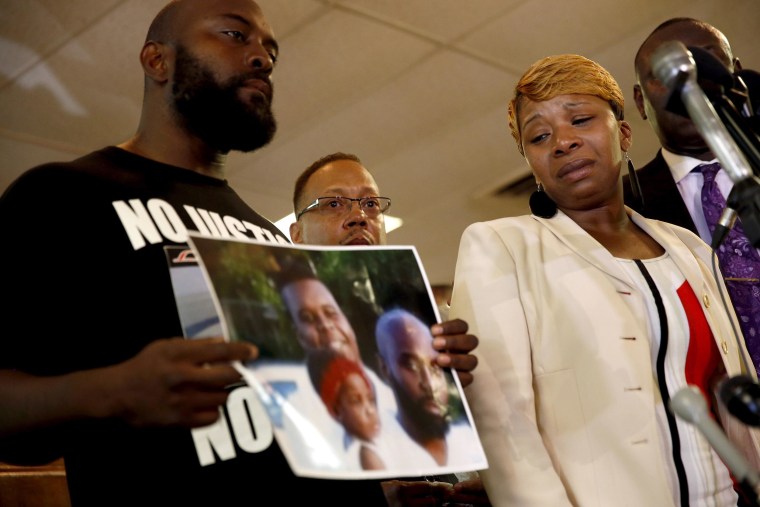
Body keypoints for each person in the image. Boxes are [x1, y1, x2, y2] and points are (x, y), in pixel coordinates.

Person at [0, 1, 471, 506]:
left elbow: (302, 425)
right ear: (158, 60)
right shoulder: (62, 197)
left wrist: (379, 485)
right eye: (234, 35)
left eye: (270, 50)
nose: (262, 58)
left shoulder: (267, 238)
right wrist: (113, 391)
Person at [448, 53, 760, 506]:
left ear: (625, 132)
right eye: (539, 136)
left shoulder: (690, 249)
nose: (562, 142)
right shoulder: (500, 247)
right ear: (531, 161)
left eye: (580, 119)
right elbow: (500, 423)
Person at [290, 152, 491, 506]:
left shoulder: (432, 321)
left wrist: (486, 481)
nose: (358, 217)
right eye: (334, 203)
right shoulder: (281, 334)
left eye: (370, 204)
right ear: (296, 233)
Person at [623, 17, 760, 373]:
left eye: (704, 61)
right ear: (640, 101)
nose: (687, 82)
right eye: (664, 73)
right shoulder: (623, 210)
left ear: (736, 73)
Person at [306, 348, 387, 471]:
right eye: (356, 401)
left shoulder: (349, 446)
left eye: (370, 399)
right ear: (337, 411)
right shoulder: (367, 456)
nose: (370, 411)